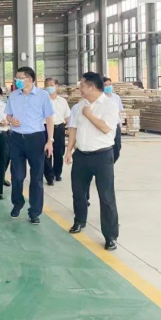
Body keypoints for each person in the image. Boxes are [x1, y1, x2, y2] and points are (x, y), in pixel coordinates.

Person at [65, 72, 120, 251]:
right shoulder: (80, 105)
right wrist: (69, 150)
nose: (79, 88)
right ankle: (79, 221)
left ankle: (110, 236)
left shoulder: (110, 105)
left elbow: (105, 128)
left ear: (91, 87)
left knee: (106, 196)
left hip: (102, 156)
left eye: (82, 85)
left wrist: (89, 115)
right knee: (78, 192)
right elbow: (73, 128)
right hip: (81, 155)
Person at [5, 67, 54, 225]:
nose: (17, 80)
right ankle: (17, 203)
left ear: (30, 79)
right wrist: (11, 120)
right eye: (16, 77)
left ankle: (35, 211)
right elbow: (8, 115)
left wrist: (50, 141)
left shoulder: (42, 95)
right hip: (16, 138)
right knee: (17, 175)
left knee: (37, 177)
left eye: (21, 77)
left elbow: (49, 119)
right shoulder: (13, 95)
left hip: (36, 139)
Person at [44, 78, 71, 186]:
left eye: (51, 85)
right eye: (47, 85)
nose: (49, 87)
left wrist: (70, 128)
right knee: (47, 153)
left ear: (56, 86)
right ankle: (49, 176)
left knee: (59, 152)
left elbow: (67, 116)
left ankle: (57, 173)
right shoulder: (43, 100)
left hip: (59, 128)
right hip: (45, 128)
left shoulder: (62, 101)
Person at [103, 77, 123, 163]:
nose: (108, 86)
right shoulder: (100, 98)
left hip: (115, 125)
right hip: (105, 125)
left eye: (110, 84)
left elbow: (119, 111)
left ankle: (111, 164)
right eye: (105, 85)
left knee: (117, 147)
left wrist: (119, 122)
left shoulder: (116, 97)